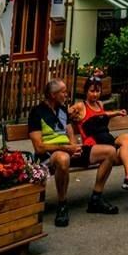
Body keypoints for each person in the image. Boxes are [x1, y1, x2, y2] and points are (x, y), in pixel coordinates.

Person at [28, 78, 118, 227]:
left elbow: (70, 134)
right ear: (52, 95)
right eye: (63, 92)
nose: (66, 95)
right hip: (50, 156)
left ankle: (96, 198)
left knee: (110, 152)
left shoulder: (63, 109)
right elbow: (39, 147)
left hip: (68, 151)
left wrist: (75, 147)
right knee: (63, 159)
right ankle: (62, 204)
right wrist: (65, 149)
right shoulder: (37, 113)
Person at [69, 77, 128, 213]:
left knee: (127, 139)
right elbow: (68, 113)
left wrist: (117, 113)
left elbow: (103, 114)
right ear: (85, 91)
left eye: (98, 91)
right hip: (95, 147)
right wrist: (70, 112)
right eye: (92, 91)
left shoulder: (100, 104)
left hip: (108, 142)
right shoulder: (80, 106)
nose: (95, 94)